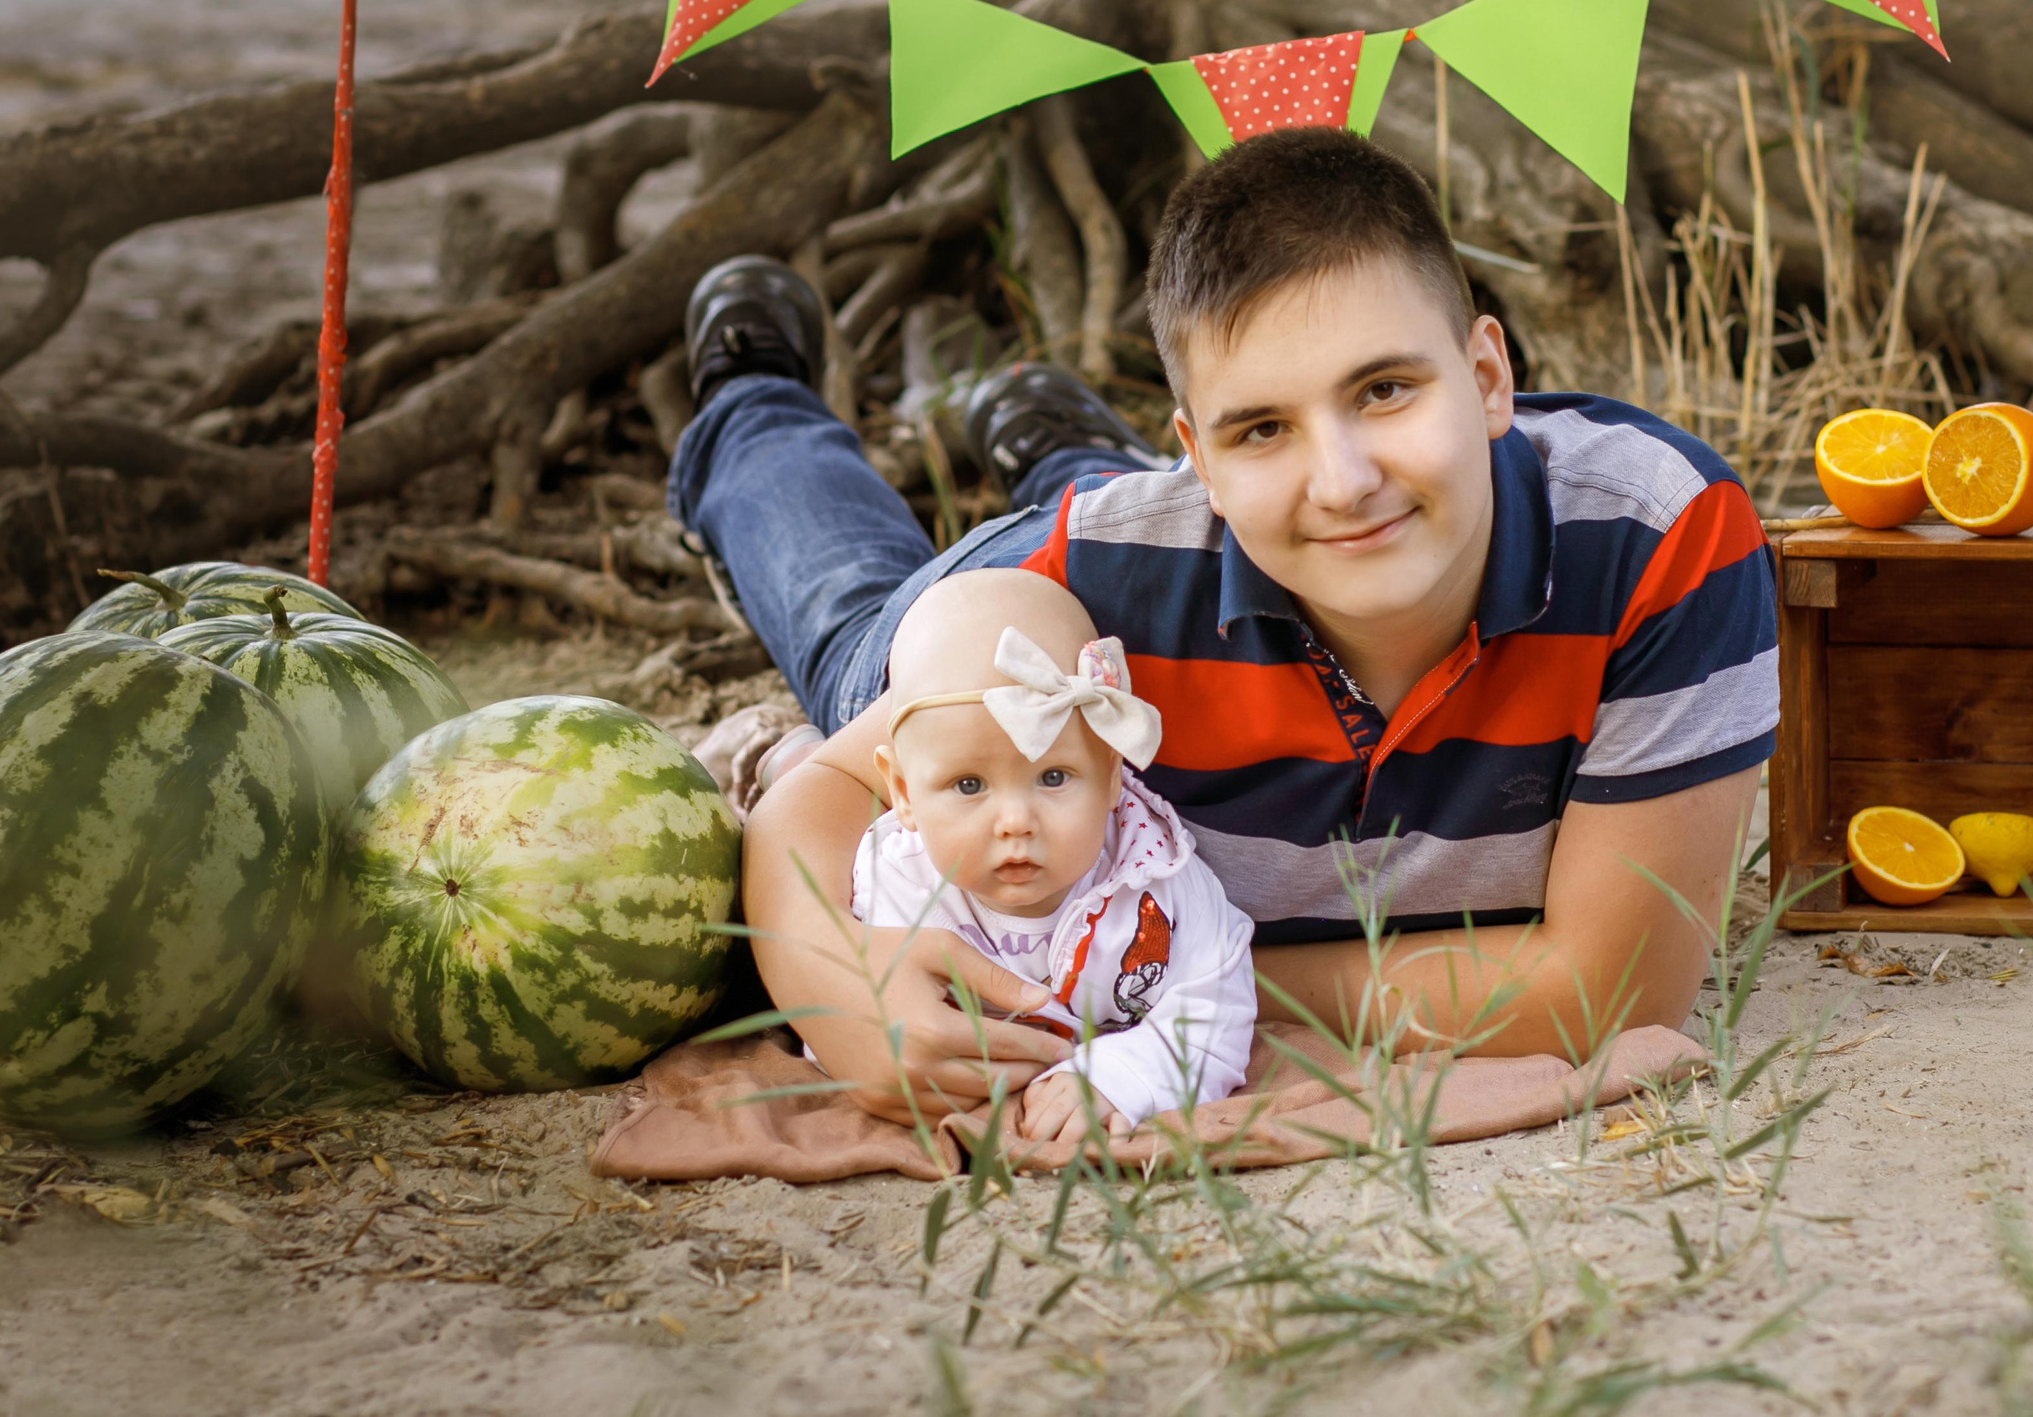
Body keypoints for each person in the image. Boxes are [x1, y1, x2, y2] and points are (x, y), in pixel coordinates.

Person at [668, 127, 1776, 1121]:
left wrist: (1194, 980)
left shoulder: (1661, 541)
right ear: (1199, 461)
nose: (1343, 480)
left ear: (1487, 377)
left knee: (1268, 517)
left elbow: (1611, 997)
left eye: (1385, 391)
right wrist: (841, 985)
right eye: (1259, 428)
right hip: (1026, 605)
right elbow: (817, 800)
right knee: (848, 611)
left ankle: (1057, 435)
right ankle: (754, 401)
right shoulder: (1093, 575)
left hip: (1170, 547)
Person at [851, 566, 1254, 1141]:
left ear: (1113, 773)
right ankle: (785, 754)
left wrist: (1125, 1072)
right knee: (844, 598)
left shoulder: (1155, 878)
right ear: (904, 793)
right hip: (861, 659)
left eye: (1054, 776)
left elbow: (1219, 1004)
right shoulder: (895, 886)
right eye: (969, 785)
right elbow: (851, 1024)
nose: (1016, 822)